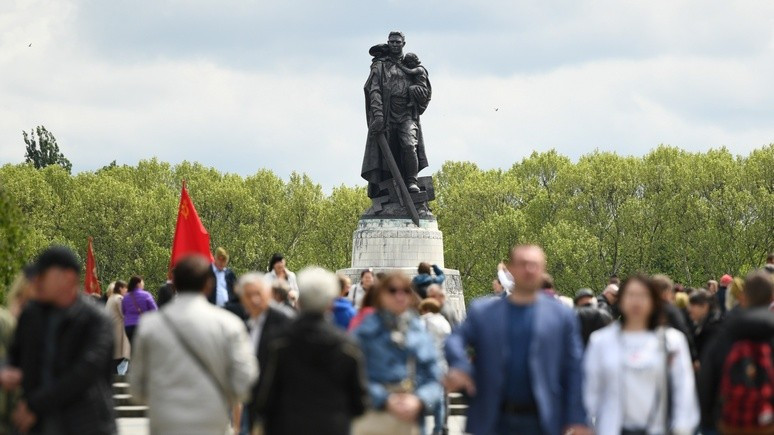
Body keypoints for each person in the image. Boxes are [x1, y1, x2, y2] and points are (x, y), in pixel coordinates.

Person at [445, 245, 588, 435]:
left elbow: (574, 368)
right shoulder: (483, 312)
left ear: (543, 269)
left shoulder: (561, 315)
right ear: (510, 269)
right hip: (494, 420)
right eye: (523, 264)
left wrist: (578, 418)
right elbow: (455, 339)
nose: (529, 270)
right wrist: (460, 365)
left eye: (535, 265)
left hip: (543, 421)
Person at [129, 254, 258, 435]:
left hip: (165, 421)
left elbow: (136, 387)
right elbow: (245, 380)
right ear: (209, 284)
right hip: (212, 420)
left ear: (174, 283)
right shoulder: (229, 324)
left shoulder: (149, 326)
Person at [1, 246, 116, 434]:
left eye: (42, 275)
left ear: (68, 277)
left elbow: (84, 372)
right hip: (35, 425)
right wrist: (5, 370)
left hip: (85, 425)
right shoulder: (31, 315)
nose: (36, 281)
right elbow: (14, 355)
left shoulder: (96, 320)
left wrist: (35, 405)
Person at [255, 267, 369, 435]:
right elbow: (359, 403)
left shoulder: (277, 342)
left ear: (300, 301)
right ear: (330, 303)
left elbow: (262, 397)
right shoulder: (348, 346)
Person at [583, 275, 699, 435]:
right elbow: (590, 391)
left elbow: (683, 389)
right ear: (620, 300)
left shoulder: (672, 341)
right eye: (630, 295)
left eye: (643, 296)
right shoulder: (601, 341)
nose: (636, 302)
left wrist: (682, 428)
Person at [352, 271, 443, 435]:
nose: (399, 296)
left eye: (406, 290)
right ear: (381, 295)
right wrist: (385, 399)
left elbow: (435, 378)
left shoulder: (420, 332)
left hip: (411, 417)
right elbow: (352, 376)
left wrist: (419, 400)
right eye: (392, 290)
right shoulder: (364, 332)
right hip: (375, 416)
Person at [699, 271, 774, 434]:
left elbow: (707, 378)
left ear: (743, 297)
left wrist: (708, 421)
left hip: (730, 424)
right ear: (771, 298)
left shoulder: (725, 332)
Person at [362, 31, 431, 196]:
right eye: (392, 42)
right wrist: (378, 115)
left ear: (403, 44)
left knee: (409, 145)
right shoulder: (380, 65)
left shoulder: (412, 65)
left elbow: (425, 91)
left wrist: (419, 92)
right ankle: (388, 188)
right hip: (387, 114)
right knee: (387, 153)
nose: (394, 44)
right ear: (388, 43)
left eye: (397, 42)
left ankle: (412, 181)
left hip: (407, 113)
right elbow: (374, 90)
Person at [239, 272, 294, 433]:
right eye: (249, 295)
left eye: (258, 294)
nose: (254, 300)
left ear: (268, 294)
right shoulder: (248, 325)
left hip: (279, 408)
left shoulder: (284, 321)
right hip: (253, 403)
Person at [419, 298, 451, 435]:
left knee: (420, 397)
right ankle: (440, 428)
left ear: (426, 309)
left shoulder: (421, 321)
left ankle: (422, 430)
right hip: (442, 363)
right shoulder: (444, 323)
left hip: (425, 364)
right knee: (441, 399)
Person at [687, 289, 723, 360]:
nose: (689, 309)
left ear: (705, 306)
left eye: (693, 305)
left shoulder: (713, 327)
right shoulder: (705, 323)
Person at [121, 275, 157, 345]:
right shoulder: (146, 295)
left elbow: (123, 311)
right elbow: (154, 310)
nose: (143, 284)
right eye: (142, 283)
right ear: (138, 284)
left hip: (129, 327)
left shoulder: (125, 297)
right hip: (142, 325)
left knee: (133, 347)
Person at [105, 280, 131, 374]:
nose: (127, 291)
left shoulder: (111, 298)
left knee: (115, 356)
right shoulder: (119, 298)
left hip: (112, 329)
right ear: (120, 288)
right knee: (119, 356)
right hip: (119, 331)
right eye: (125, 288)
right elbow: (125, 314)